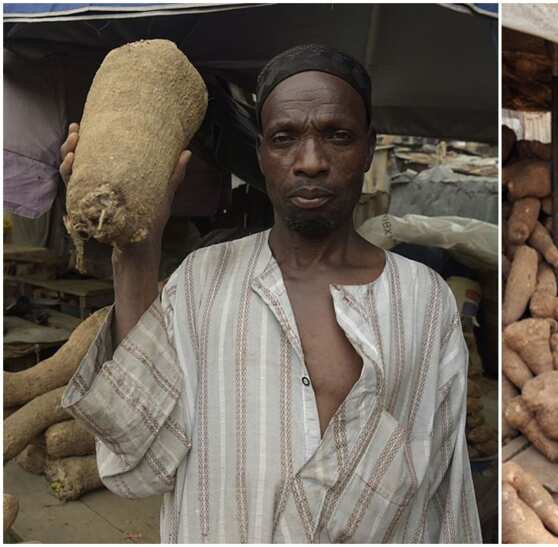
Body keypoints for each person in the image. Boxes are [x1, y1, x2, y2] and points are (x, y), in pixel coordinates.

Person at [58, 44, 481, 543]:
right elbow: (141, 459)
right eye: (285, 138)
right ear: (261, 153)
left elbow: (446, 491)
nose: (310, 162)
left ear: (369, 148)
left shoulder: (424, 301)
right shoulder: (202, 280)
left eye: (337, 136)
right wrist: (134, 253)